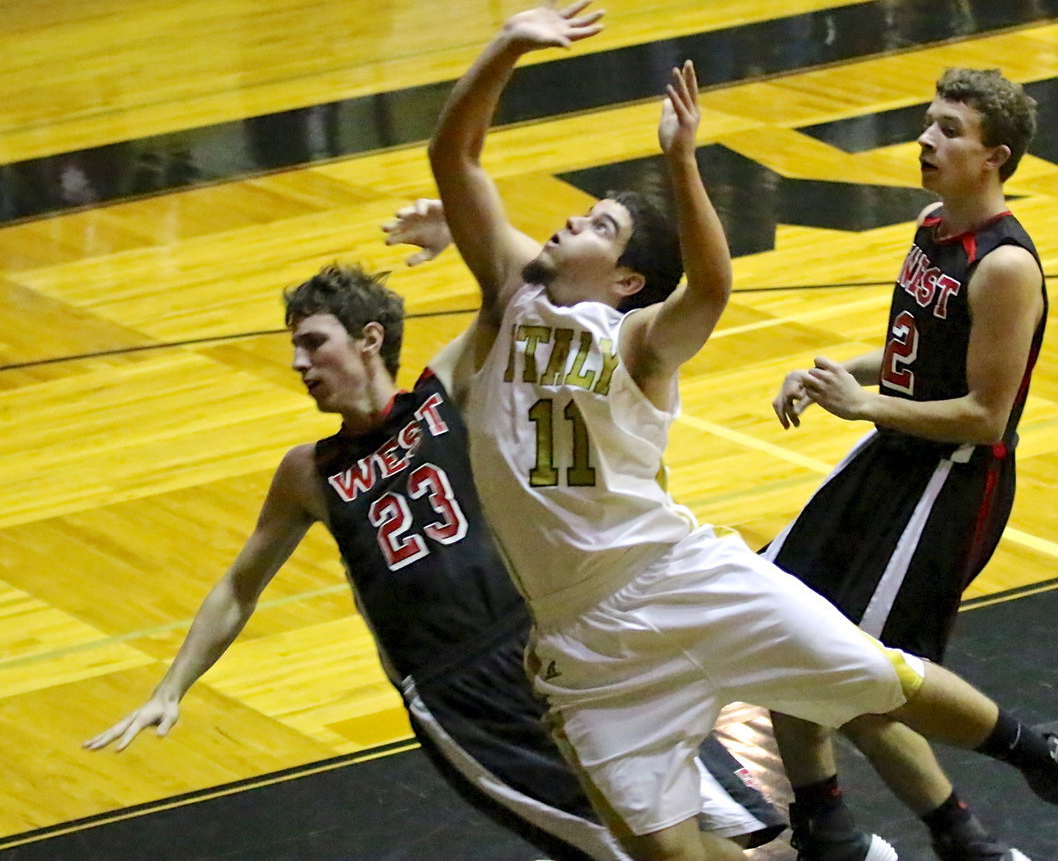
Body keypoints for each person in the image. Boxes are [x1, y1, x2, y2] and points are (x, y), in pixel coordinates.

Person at [424, 0, 1058, 861]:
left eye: (596, 224)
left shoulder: (637, 340)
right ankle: (831, 836)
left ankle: (1037, 762)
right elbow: (456, 158)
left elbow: (712, 288)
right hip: (577, 628)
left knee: (869, 670)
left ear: (627, 279)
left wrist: (683, 162)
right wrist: (508, 44)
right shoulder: (515, 290)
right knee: (665, 849)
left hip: (681, 569)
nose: (564, 219)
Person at [83, 261, 786, 860]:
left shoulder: (444, 388)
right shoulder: (308, 471)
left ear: (369, 338)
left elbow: (506, 281)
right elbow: (240, 586)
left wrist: (451, 206)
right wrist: (173, 685)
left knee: (701, 829)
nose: (298, 364)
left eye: (311, 343)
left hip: (555, 644)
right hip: (457, 695)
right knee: (627, 846)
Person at [760, 68, 1047, 861]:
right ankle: (827, 825)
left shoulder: (1006, 267)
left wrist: (864, 406)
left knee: (860, 674)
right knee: (788, 624)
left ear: (996, 155)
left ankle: (965, 838)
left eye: (950, 129)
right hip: (891, 454)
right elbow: (910, 354)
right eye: (929, 123)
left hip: (954, 479)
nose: (926, 139)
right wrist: (841, 374)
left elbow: (987, 414)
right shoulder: (931, 225)